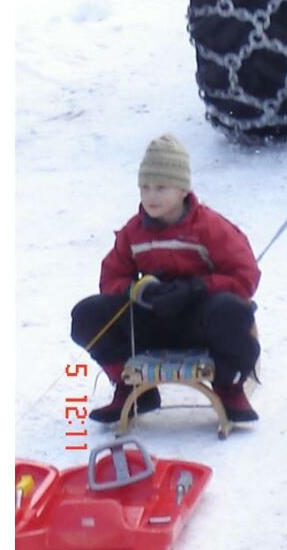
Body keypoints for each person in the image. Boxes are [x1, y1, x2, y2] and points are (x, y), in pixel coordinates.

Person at [70, 133, 261, 424]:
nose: (151, 196)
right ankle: (132, 387)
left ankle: (228, 386)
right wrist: (140, 291)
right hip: (153, 319)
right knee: (87, 315)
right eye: (144, 188)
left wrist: (197, 288)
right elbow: (111, 277)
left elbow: (244, 276)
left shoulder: (210, 227)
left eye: (161, 187)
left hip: (199, 321)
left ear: (183, 189)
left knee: (232, 311)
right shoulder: (134, 232)